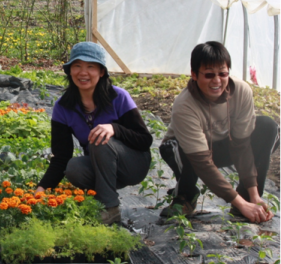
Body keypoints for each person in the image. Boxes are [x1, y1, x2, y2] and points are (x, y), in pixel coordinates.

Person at [35, 42, 153, 225]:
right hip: (103, 168)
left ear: (102, 72)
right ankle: (99, 201)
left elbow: (144, 140)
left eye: (90, 66)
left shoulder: (118, 97)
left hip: (133, 164)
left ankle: (109, 209)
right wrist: (42, 188)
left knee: (99, 138)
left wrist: (115, 129)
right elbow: (61, 156)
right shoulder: (63, 107)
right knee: (73, 168)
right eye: (77, 66)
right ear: (70, 71)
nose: (83, 73)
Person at [160, 41, 278, 223]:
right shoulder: (185, 105)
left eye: (222, 74)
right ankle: (185, 195)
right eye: (208, 75)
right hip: (186, 153)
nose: (217, 81)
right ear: (194, 75)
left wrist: (253, 197)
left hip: (222, 145)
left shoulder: (241, 92)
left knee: (267, 126)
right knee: (177, 147)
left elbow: (241, 145)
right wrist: (239, 203)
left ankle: (248, 198)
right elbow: (202, 162)